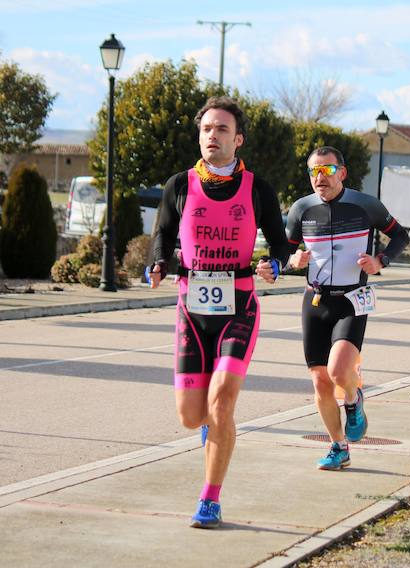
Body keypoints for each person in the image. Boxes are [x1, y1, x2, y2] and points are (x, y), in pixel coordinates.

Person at [149, 96, 290, 529]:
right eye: (207, 129)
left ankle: (210, 499)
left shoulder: (258, 189)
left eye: (222, 129)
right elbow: (162, 234)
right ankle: (213, 428)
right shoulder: (180, 184)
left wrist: (275, 263)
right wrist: (157, 263)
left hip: (240, 303)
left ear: (238, 139)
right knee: (192, 416)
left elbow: (280, 242)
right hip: (192, 308)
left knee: (222, 402)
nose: (213, 135)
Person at [285, 146, 409, 471]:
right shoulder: (301, 209)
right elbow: (281, 252)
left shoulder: (365, 205)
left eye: (326, 170)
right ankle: (338, 447)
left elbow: (400, 236)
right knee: (319, 381)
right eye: (314, 171)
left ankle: (354, 399)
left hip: (352, 300)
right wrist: (291, 260)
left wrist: (379, 261)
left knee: (339, 372)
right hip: (314, 300)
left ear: (342, 172)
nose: (319, 177)